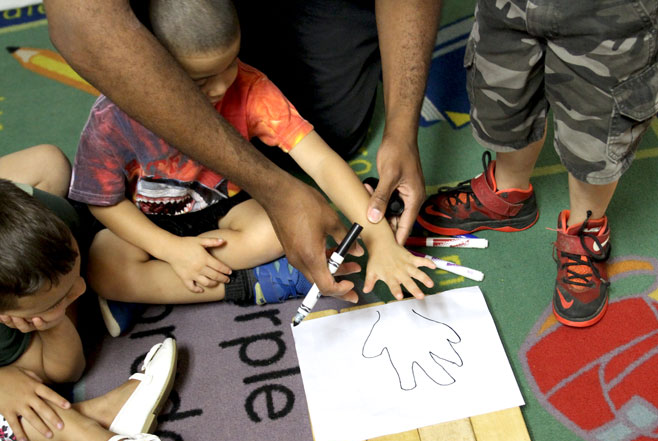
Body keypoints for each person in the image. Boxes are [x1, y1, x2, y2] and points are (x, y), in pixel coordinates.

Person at [70, 0, 436, 335]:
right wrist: (171, 249)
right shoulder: (110, 118)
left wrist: (380, 240)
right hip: (148, 222)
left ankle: (152, 287)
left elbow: (321, 162)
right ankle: (251, 282)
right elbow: (102, 202)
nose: (222, 86)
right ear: (153, 68)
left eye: (230, 64)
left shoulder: (250, 86)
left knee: (278, 231)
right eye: (200, 81)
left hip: (223, 209)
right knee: (101, 264)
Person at [417, 0, 656, 328]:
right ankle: (508, 194)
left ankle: (585, 230)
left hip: (612, 12)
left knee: (598, 128)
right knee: (504, 96)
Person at [0, 155, 176, 441]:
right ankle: (92, 427)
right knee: (22, 394)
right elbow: (61, 372)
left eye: (78, 274)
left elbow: (65, 368)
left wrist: (54, 319)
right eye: (59, 299)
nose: (82, 287)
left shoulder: (57, 215)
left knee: (51, 164)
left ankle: (96, 418)